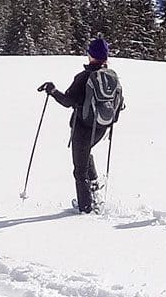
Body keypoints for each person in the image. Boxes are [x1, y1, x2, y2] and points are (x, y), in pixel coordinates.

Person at [38, 37, 125, 213]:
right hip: (102, 127)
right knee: (86, 157)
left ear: (90, 55)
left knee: (79, 171)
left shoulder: (84, 77)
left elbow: (68, 101)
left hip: (82, 128)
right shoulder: (111, 77)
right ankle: (95, 192)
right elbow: (120, 103)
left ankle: (86, 208)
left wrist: (52, 91)